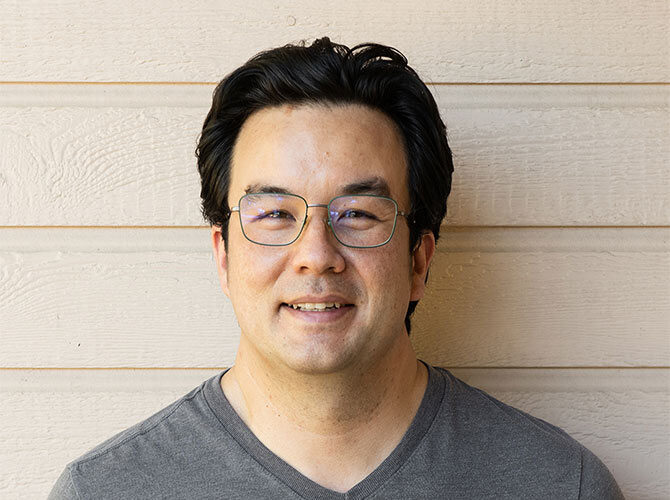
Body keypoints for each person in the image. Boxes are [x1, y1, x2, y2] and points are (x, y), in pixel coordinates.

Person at [49, 37, 624, 499]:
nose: (316, 254)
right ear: (223, 255)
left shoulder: (559, 485)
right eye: (274, 213)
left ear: (419, 258)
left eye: (358, 214)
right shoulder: (105, 490)